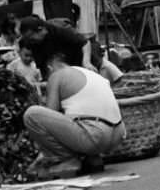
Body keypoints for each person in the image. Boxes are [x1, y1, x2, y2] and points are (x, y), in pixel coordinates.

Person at [22, 46, 125, 179]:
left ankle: (66, 160)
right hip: (118, 135)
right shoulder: (89, 72)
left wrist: (45, 153)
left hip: (95, 136)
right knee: (79, 116)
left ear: (49, 67)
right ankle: (93, 159)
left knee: (32, 114)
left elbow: (50, 112)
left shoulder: (57, 76)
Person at [18, 15, 90, 66]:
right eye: (29, 40)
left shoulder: (60, 29)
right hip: (60, 64)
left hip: (79, 58)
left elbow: (85, 43)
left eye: (32, 39)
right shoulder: (31, 42)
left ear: (41, 30)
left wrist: (86, 62)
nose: (31, 42)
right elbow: (42, 66)